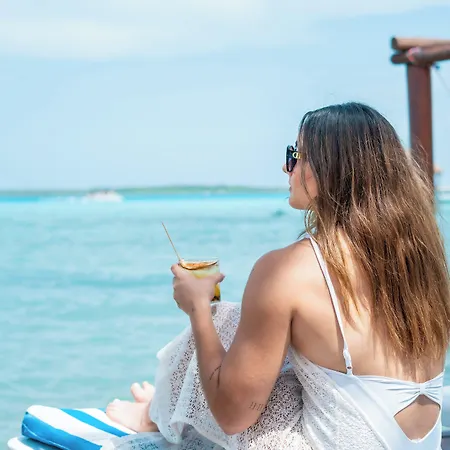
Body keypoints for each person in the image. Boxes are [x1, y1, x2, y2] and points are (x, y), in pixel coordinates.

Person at [104, 102, 450, 449]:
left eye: (295, 155)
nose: (287, 167)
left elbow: (233, 416)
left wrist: (198, 309)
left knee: (226, 321)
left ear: (330, 170)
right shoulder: (423, 261)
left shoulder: (289, 269)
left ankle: (156, 416)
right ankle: (160, 411)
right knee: (269, 343)